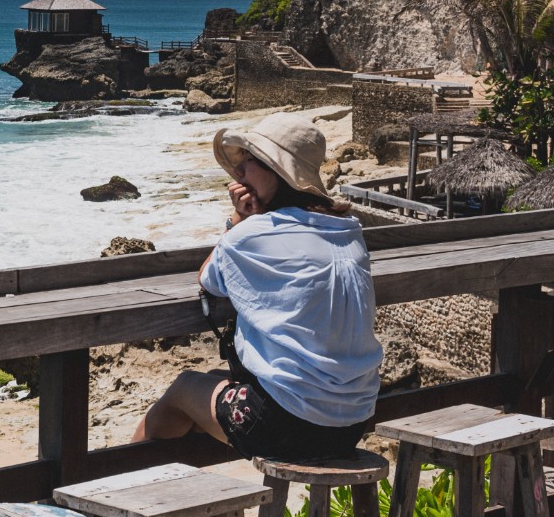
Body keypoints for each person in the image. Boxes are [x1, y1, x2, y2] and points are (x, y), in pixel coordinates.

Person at [134, 111, 383, 460]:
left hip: (289, 425)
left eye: (248, 162)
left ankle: (122, 491)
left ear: (276, 171)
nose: (238, 173)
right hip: (354, 421)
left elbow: (209, 279)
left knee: (183, 389)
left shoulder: (253, 233)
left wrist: (236, 221)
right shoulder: (348, 228)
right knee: (215, 384)